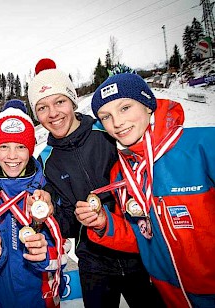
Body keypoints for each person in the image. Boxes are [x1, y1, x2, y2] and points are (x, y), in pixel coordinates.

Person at [28, 59, 164, 308]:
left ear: (73, 100)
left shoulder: (109, 131)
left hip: (141, 250)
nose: (53, 113)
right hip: (93, 264)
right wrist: (45, 216)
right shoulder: (46, 160)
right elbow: (65, 223)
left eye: (60, 102)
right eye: (42, 107)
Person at [81, 67, 215, 307]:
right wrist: (103, 224)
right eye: (106, 116)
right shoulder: (121, 174)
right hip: (171, 296)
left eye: (124, 108)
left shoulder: (204, 146)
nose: (117, 122)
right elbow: (143, 236)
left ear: (147, 105)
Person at [0, 101, 69, 308]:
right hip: (3, 293)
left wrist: (44, 255)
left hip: (42, 292)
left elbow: (62, 243)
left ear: (31, 149)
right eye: (4, 147)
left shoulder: (46, 189)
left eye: (21, 147)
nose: (12, 156)